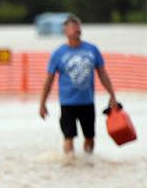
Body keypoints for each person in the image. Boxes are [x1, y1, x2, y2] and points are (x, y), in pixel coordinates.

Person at [39, 14, 118, 157]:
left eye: (78, 27)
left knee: (90, 137)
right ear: (66, 32)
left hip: (87, 101)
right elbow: (48, 80)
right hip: (67, 103)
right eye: (73, 28)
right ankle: (70, 163)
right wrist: (42, 103)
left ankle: (88, 161)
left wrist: (112, 95)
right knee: (68, 137)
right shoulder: (58, 53)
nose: (77, 30)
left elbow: (103, 74)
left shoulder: (92, 49)